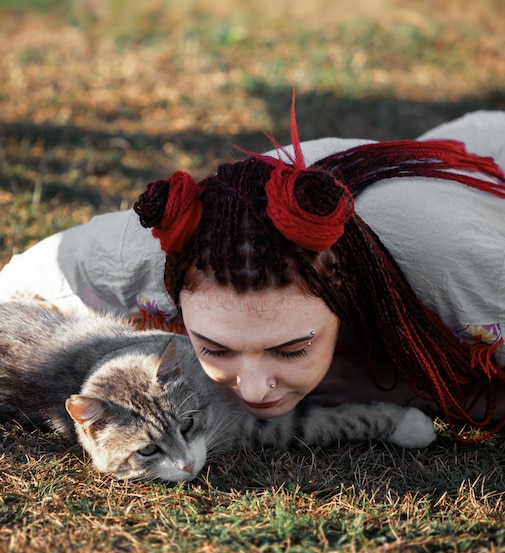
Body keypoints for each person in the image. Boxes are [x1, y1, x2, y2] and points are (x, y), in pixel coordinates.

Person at [1, 108, 505, 441]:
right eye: (215, 348)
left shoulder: (468, 275)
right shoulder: (137, 255)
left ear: (346, 288)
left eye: (290, 349)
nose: (253, 391)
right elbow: (15, 289)